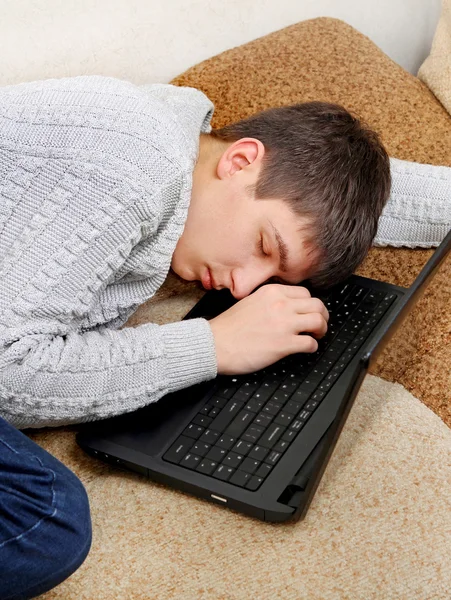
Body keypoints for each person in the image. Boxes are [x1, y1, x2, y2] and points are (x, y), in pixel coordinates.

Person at [0, 75, 449, 598]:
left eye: (274, 275)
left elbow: (337, 196)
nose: (243, 284)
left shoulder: (196, 149)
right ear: (240, 161)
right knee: (48, 523)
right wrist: (212, 345)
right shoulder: (129, 165)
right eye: (264, 247)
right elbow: (8, 372)